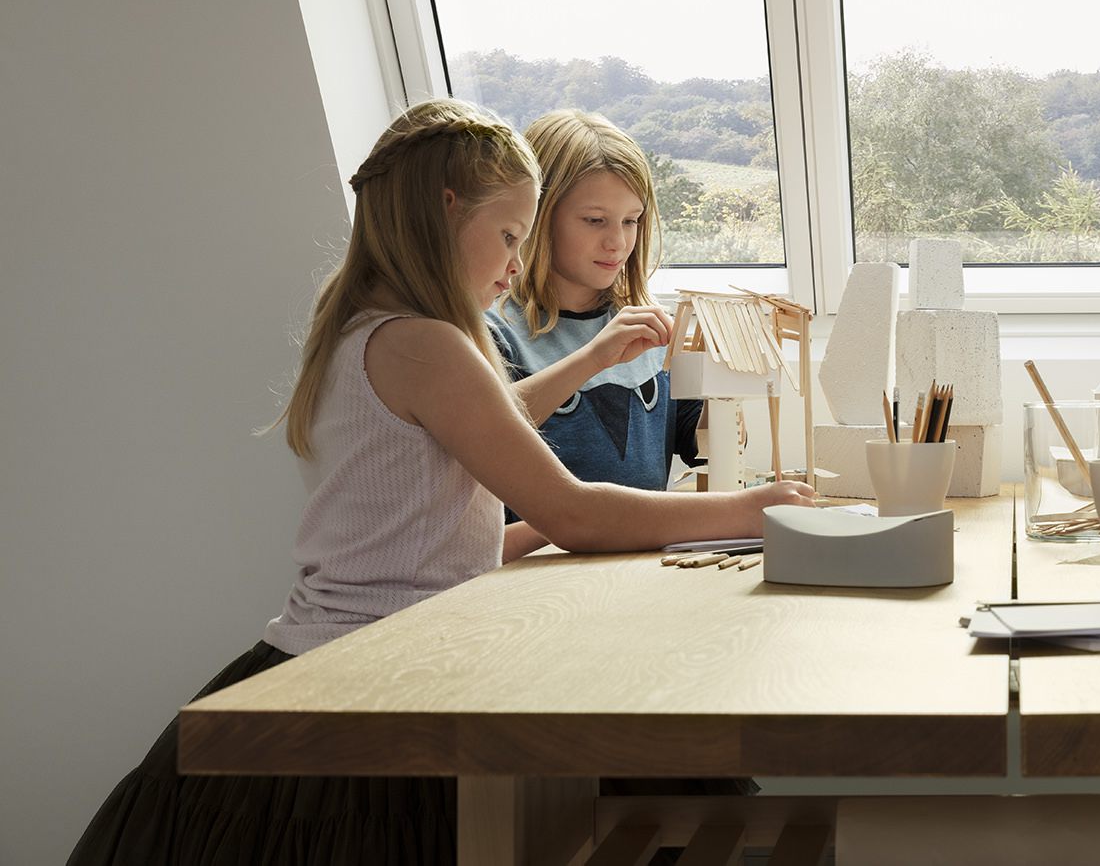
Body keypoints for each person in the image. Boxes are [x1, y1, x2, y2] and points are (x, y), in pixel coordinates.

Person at [68, 99, 812, 866]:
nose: (516, 263)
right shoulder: (429, 345)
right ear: (445, 209)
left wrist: (546, 530)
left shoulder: (357, 326)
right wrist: (750, 508)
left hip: (329, 650)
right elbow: (574, 509)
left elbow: (445, 503)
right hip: (387, 670)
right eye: (509, 235)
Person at [487, 109, 704, 562]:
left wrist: (726, 397)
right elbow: (484, 429)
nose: (618, 243)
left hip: (637, 565)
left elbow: (693, 439)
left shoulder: (647, 326)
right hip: (530, 580)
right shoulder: (495, 330)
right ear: (538, 217)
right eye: (594, 220)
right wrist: (593, 358)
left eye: (631, 221)